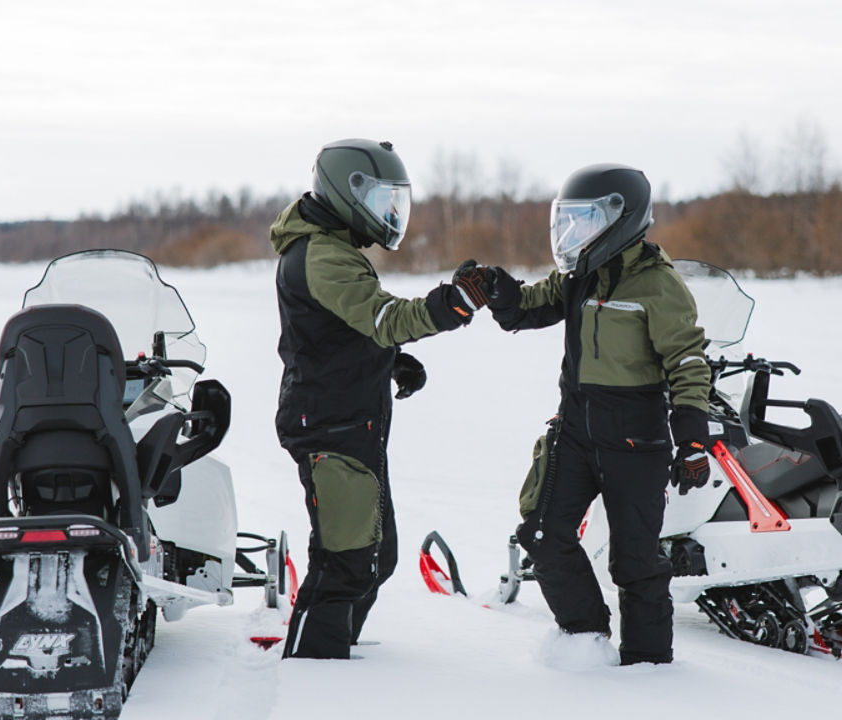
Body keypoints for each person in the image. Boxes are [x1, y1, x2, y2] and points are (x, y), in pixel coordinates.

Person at [477, 163, 712, 665]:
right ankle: (584, 641)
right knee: (541, 533)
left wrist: (693, 438)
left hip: (636, 441)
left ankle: (648, 668)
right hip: (576, 431)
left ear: (620, 219)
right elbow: (529, 305)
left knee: (636, 563)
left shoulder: (658, 285)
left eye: (586, 221)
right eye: (570, 221)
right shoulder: (578, 275)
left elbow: (689, 361)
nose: (575, 233)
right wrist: (496, 287)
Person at [271, 138, 491, 659]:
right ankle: (313, 670)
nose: (390, 215)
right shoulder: (323, 255)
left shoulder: (335, 248)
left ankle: (337, 650)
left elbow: (339, 330)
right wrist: (452, 303)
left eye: (396, 203)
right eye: (381, 202)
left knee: (377, 555)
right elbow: (382, 317)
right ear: (347, 194)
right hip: (330, 424)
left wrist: (389, 361)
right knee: (345, 560)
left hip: (354, 420)